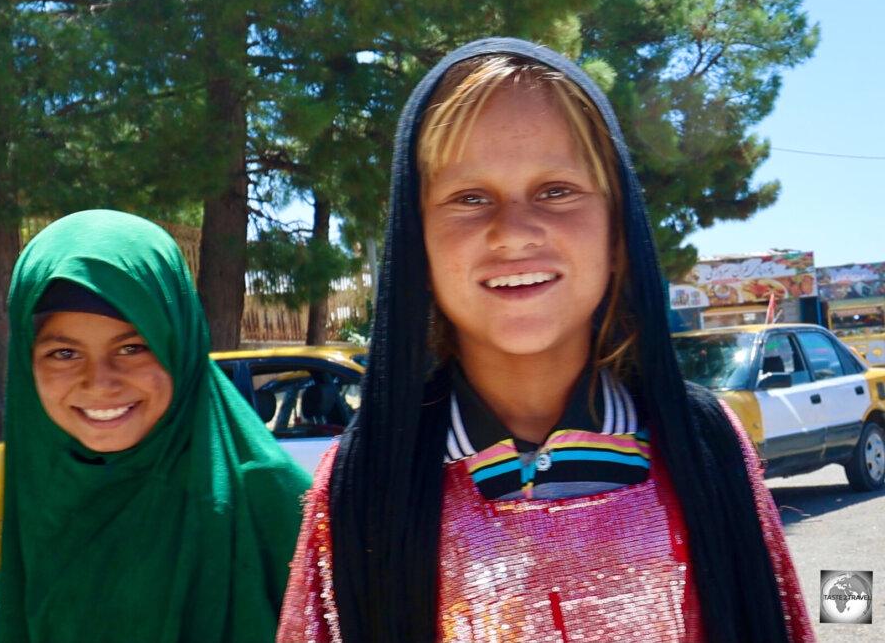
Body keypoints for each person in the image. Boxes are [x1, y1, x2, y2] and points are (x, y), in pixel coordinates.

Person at [277, 38, 813, 642]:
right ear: (416, 245)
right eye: (469, 198)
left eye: (557, 191)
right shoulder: (367, 479)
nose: (513, 231)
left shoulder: (703, 447)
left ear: (618, 232)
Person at [0, 209, 311, 643]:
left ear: (179, 343)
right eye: (64, 353)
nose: (100, 383)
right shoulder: (47, 489)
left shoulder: (273, 500)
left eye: (132, 347)